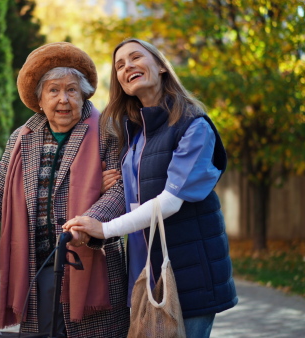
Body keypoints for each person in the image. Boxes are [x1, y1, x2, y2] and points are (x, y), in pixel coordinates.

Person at [0, 42, 130, 338]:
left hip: (89, 262)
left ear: (84, 93)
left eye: (72, 90)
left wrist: (89, 222)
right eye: (53, 90)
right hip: (38, 265)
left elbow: (120, 189)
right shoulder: (23, 139)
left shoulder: (107, 131)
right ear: (40, 98)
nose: (63, 99)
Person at [63, 38, 238, 338]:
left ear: (160, 66)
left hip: (189, 272)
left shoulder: (193, 125)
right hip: (147, 272)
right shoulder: (134, 134)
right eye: (119, 65)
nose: (127, 66)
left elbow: (170, 202)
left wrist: (103, 229)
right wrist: (114, 186)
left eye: (135, 57)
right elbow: (136, 195)